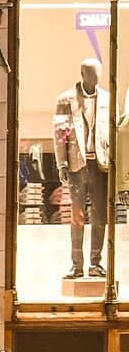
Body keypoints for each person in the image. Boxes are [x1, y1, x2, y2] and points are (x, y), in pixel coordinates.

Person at [54, 58, 111, 278]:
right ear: (82, 73)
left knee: (100, 216)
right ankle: (76, 264)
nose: (95, 78)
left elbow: (112, 133)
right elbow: (61, 134)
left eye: (98, 74)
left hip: (101, 165)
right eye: (91, 73)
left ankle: (96, 263)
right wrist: (62, 163)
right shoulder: (65, 100)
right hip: (77, 165)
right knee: (76, 216)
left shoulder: (107, 98)